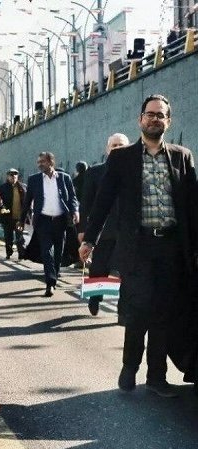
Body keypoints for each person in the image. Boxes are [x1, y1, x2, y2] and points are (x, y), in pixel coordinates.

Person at [80, 95, 198, 397]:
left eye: (160, 115)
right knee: (138, 310)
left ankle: (157, 377)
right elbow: (103, 201)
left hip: (171, 247)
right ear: (140, 119)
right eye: (150, 114)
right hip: (138, 248)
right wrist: (89, 239)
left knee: (163, 313)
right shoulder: (122, 158)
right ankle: (129, 365)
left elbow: (193, 205)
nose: (155, 119)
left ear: (168, 121)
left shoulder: (182, 157)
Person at [77, 133, 130, 315]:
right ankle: (95, 297)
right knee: (99, 268)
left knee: (127, 271)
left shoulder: (135, 171)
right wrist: (83, 230)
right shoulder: (95, 172)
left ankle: (124, 307)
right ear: (107, 149)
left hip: (127, 231)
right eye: (114, 145)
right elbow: (86, 204)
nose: (118, 148)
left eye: (121, 145)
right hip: (102, 231)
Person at [20, 152, 79, 297]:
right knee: (46, 252)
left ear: (51, 162)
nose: (40, 164)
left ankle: (55, 274)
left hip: (60, 220)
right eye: (38, 162)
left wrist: (75, 211)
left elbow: (72, 197)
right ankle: (50, 282)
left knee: (59, 252)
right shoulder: (34, 180)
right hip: (43, 221)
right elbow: (27, 202)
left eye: (43, 162)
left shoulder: (64, 178)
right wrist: (21, 221)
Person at [0, 168, 26, 260]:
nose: (13, 176)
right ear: (8, 176)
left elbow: (28, 201)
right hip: (7, 217)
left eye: (15, 174)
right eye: (11, 175)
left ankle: (21, 255)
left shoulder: (23, 187)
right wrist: (0, 205)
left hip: (19, 218)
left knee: (20, 238)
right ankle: (9, 253)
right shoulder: (2, 188)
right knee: (8, 238)